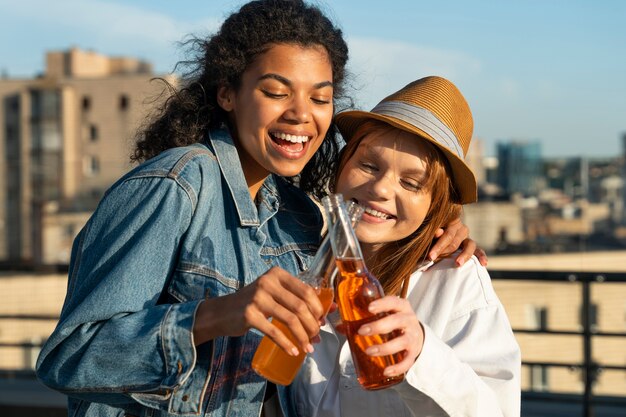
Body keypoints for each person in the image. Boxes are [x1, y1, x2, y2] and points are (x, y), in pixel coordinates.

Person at [35, 2, 479, 417]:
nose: (301, 115)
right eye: (275, 91)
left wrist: (441, 226)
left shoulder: (299, 219)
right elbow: (69, 358)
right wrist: (213, 315)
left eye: (320, 98)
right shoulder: (176, 186)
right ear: (227, 93)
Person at [289, 76, 521, 416]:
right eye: (368, 165)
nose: (381, 189)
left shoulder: (455, 279)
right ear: (341, 167)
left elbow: (499, 409)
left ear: (436, 204)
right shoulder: (290, 252)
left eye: (411, 183)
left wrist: (423, 355)